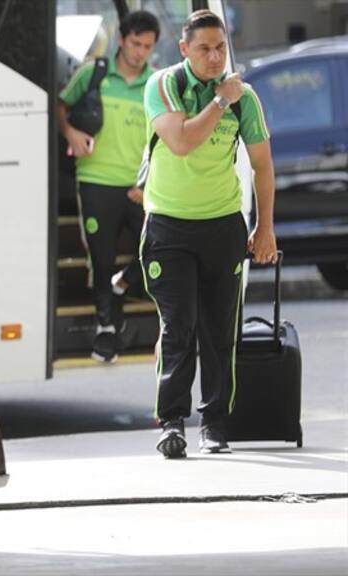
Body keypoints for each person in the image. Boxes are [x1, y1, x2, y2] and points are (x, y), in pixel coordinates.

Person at [141, 10, 276, 458]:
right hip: (169, 227)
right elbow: (180, 141)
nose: (215, 56)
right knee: (179, 328)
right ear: (184, 50)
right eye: (204, 48)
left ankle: (215, 424)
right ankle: (172, 421)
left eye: (221, 47)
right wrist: (218, 101)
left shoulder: (246, 98)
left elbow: (262, 165)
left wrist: (265, 227)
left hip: (222, 225)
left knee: (221, 332)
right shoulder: (164, 85)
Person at [58, 10, 160, 363]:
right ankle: (107, 329)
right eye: (135, 43)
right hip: (96, 182)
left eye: (147, 46)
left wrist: (146, 184)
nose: (140, 52)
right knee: (100, 259)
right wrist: (71, 133)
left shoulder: (156, 84)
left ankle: (124, 283)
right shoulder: (93, 73)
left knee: (160, 245)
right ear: (122, 39)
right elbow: (61, 105)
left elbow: (163, 139)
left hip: (139, 187)